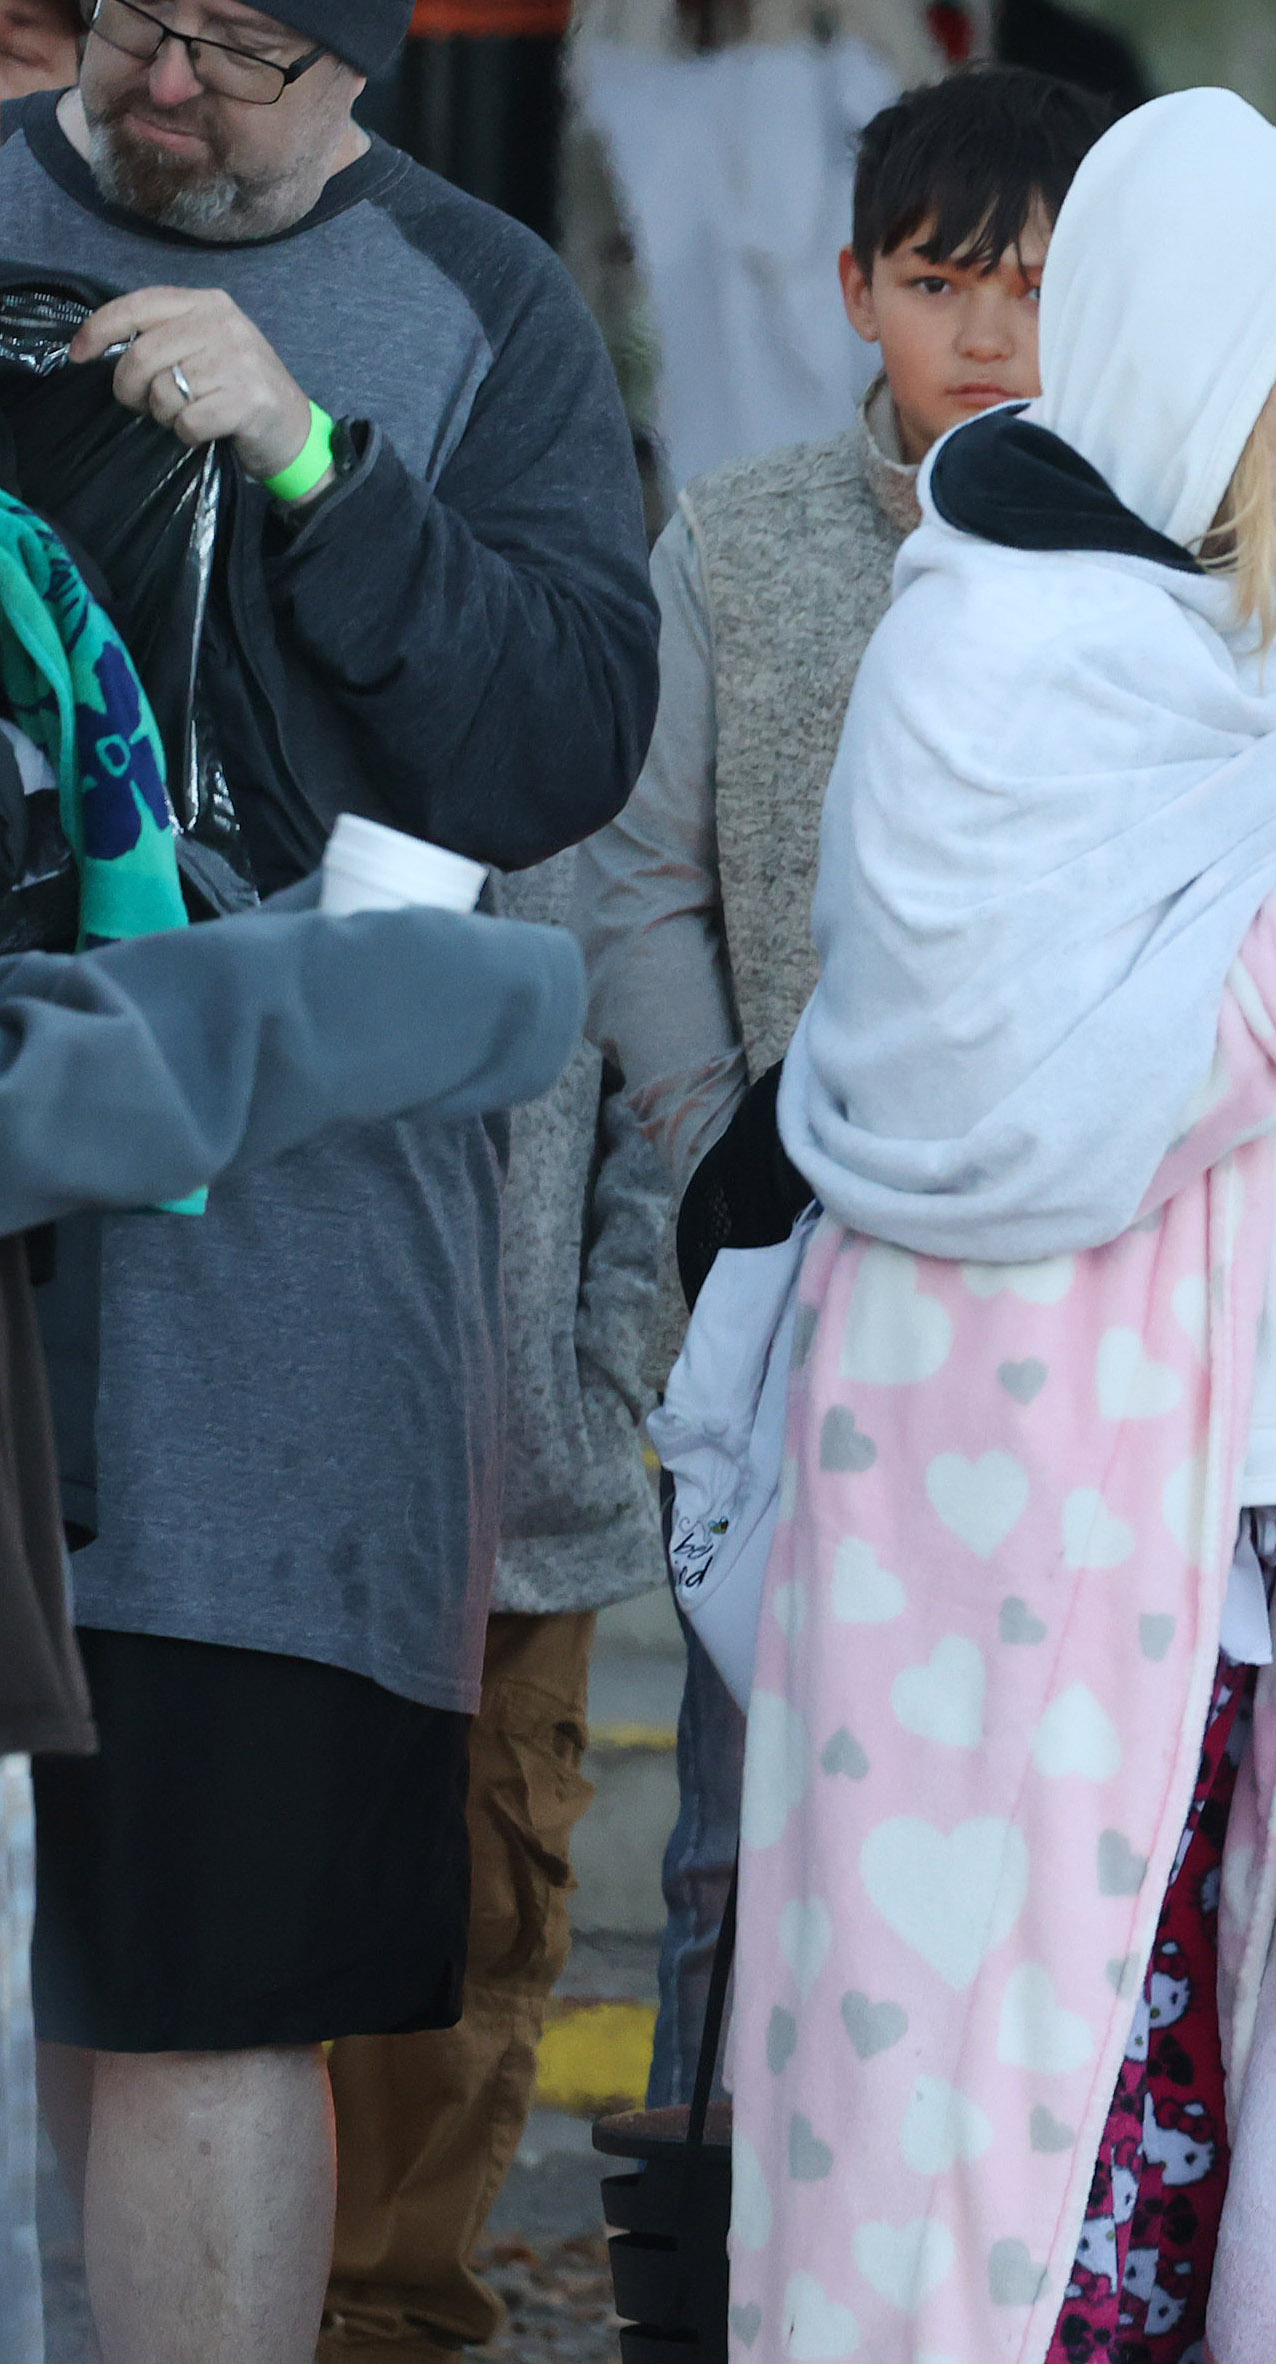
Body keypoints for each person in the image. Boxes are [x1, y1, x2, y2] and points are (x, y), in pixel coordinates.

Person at [725, 88, 1276, 2359]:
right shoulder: (990, 667)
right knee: (979, 2077)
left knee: (1174, 2061)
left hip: (1230, 1493)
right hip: (994, 1498)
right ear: (1203, 356)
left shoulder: (1272, 651)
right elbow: (996, 1117)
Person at [0, 0, 655, 2348]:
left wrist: (313, 465)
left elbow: (562, 743)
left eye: (240, 46)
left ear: (365, 56)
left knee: (204, 1991)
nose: (159, 85)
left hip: (275, 1332)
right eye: (132, 19)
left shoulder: (479, 304)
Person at [577, 59, 1112, 2114]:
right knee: (747, 1812)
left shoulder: (1175, 551)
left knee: (1045, 1810)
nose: (986, 335)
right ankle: (717, 2231)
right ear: (851, 290)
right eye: (939, 281)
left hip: (1075, 1285)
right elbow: (642, 872)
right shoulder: (739, 542)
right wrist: (723, 1148)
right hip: (785, 1268)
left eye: (1040, 289)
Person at [315, 847, 675, 2364]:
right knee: (248, 1948)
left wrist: (589, 1397)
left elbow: (662, 1089)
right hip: (270, 1484)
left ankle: (384, 2326)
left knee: (474, 1935)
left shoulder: (585, 708)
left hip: (514, 1497)